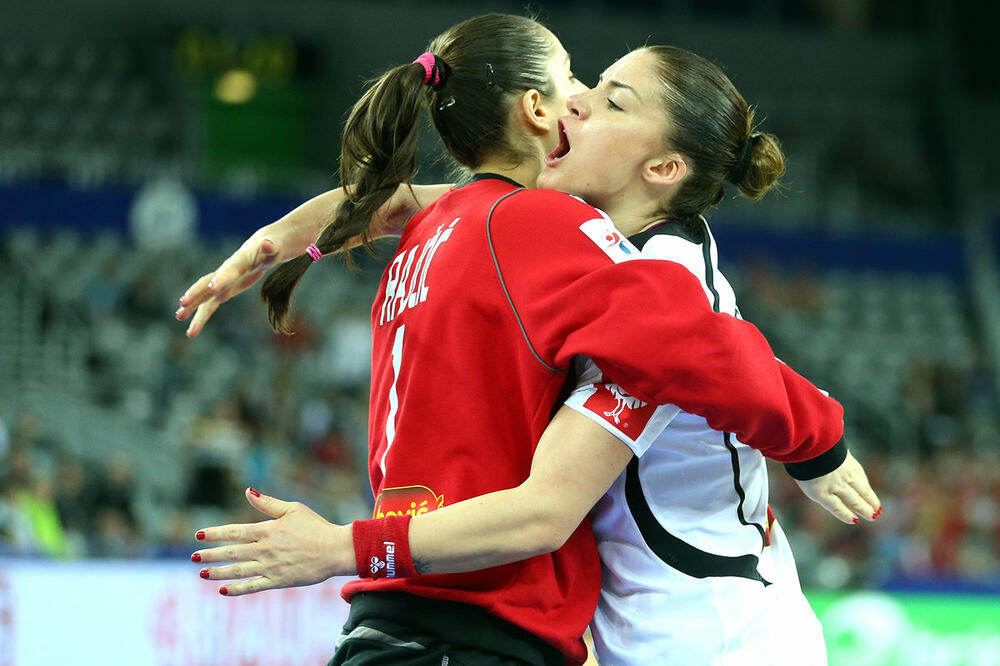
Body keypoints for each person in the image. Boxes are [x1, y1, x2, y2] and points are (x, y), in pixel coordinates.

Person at [184, 15, 875, 666]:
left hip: (721, 638)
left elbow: (555, 501)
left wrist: (819, 442)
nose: (576, 103)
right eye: (579, 82)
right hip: (579, 633)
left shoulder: (638, 272)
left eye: (610, 100)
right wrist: (271, 243)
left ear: (663, 168)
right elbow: (383, 202)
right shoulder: (532, 231)